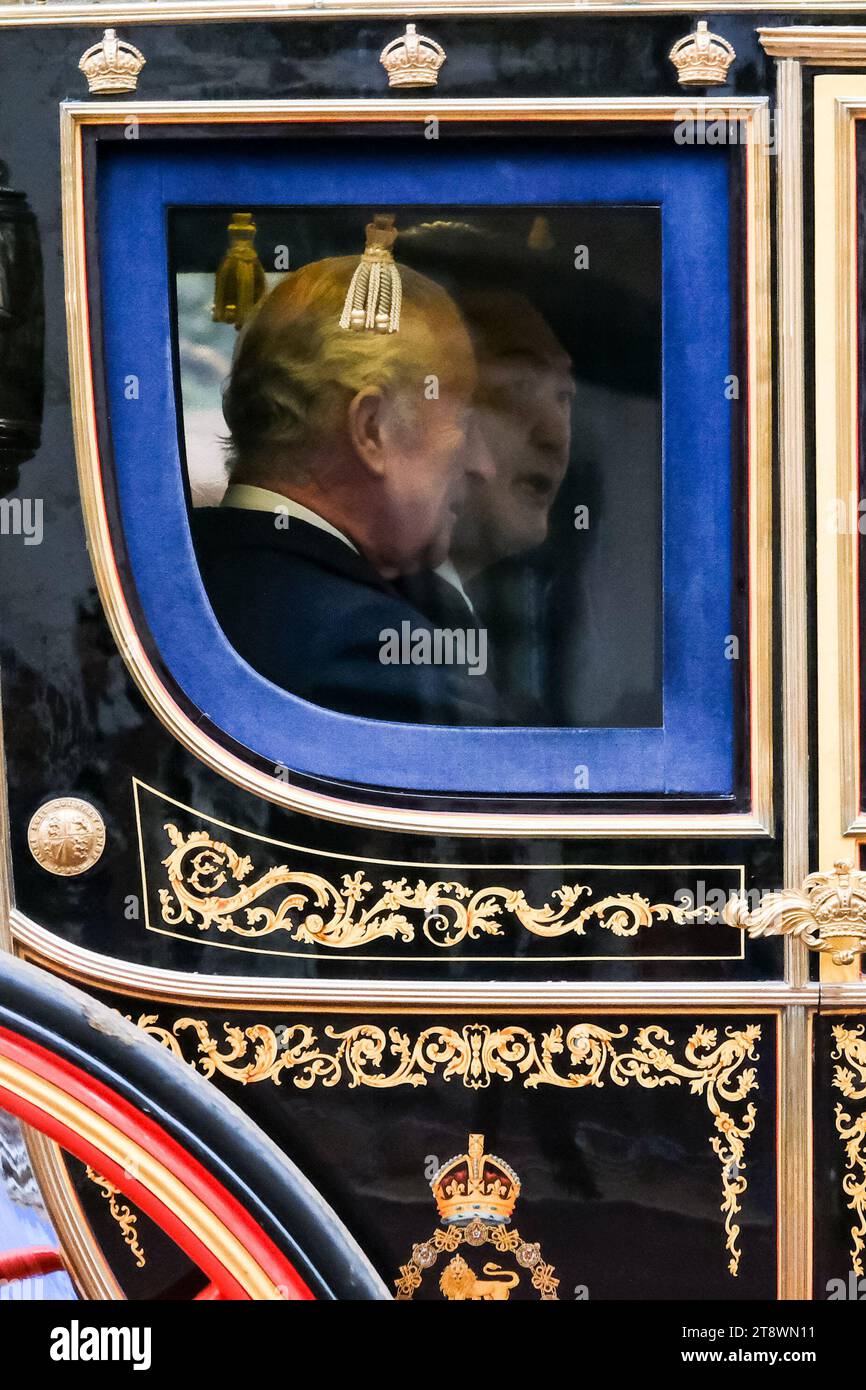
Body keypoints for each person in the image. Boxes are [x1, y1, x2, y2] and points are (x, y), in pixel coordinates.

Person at [191, 238, 504, 725]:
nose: (483, 464)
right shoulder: (367, 648)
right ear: (371, 429)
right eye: (461, 424)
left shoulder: (182, 574)